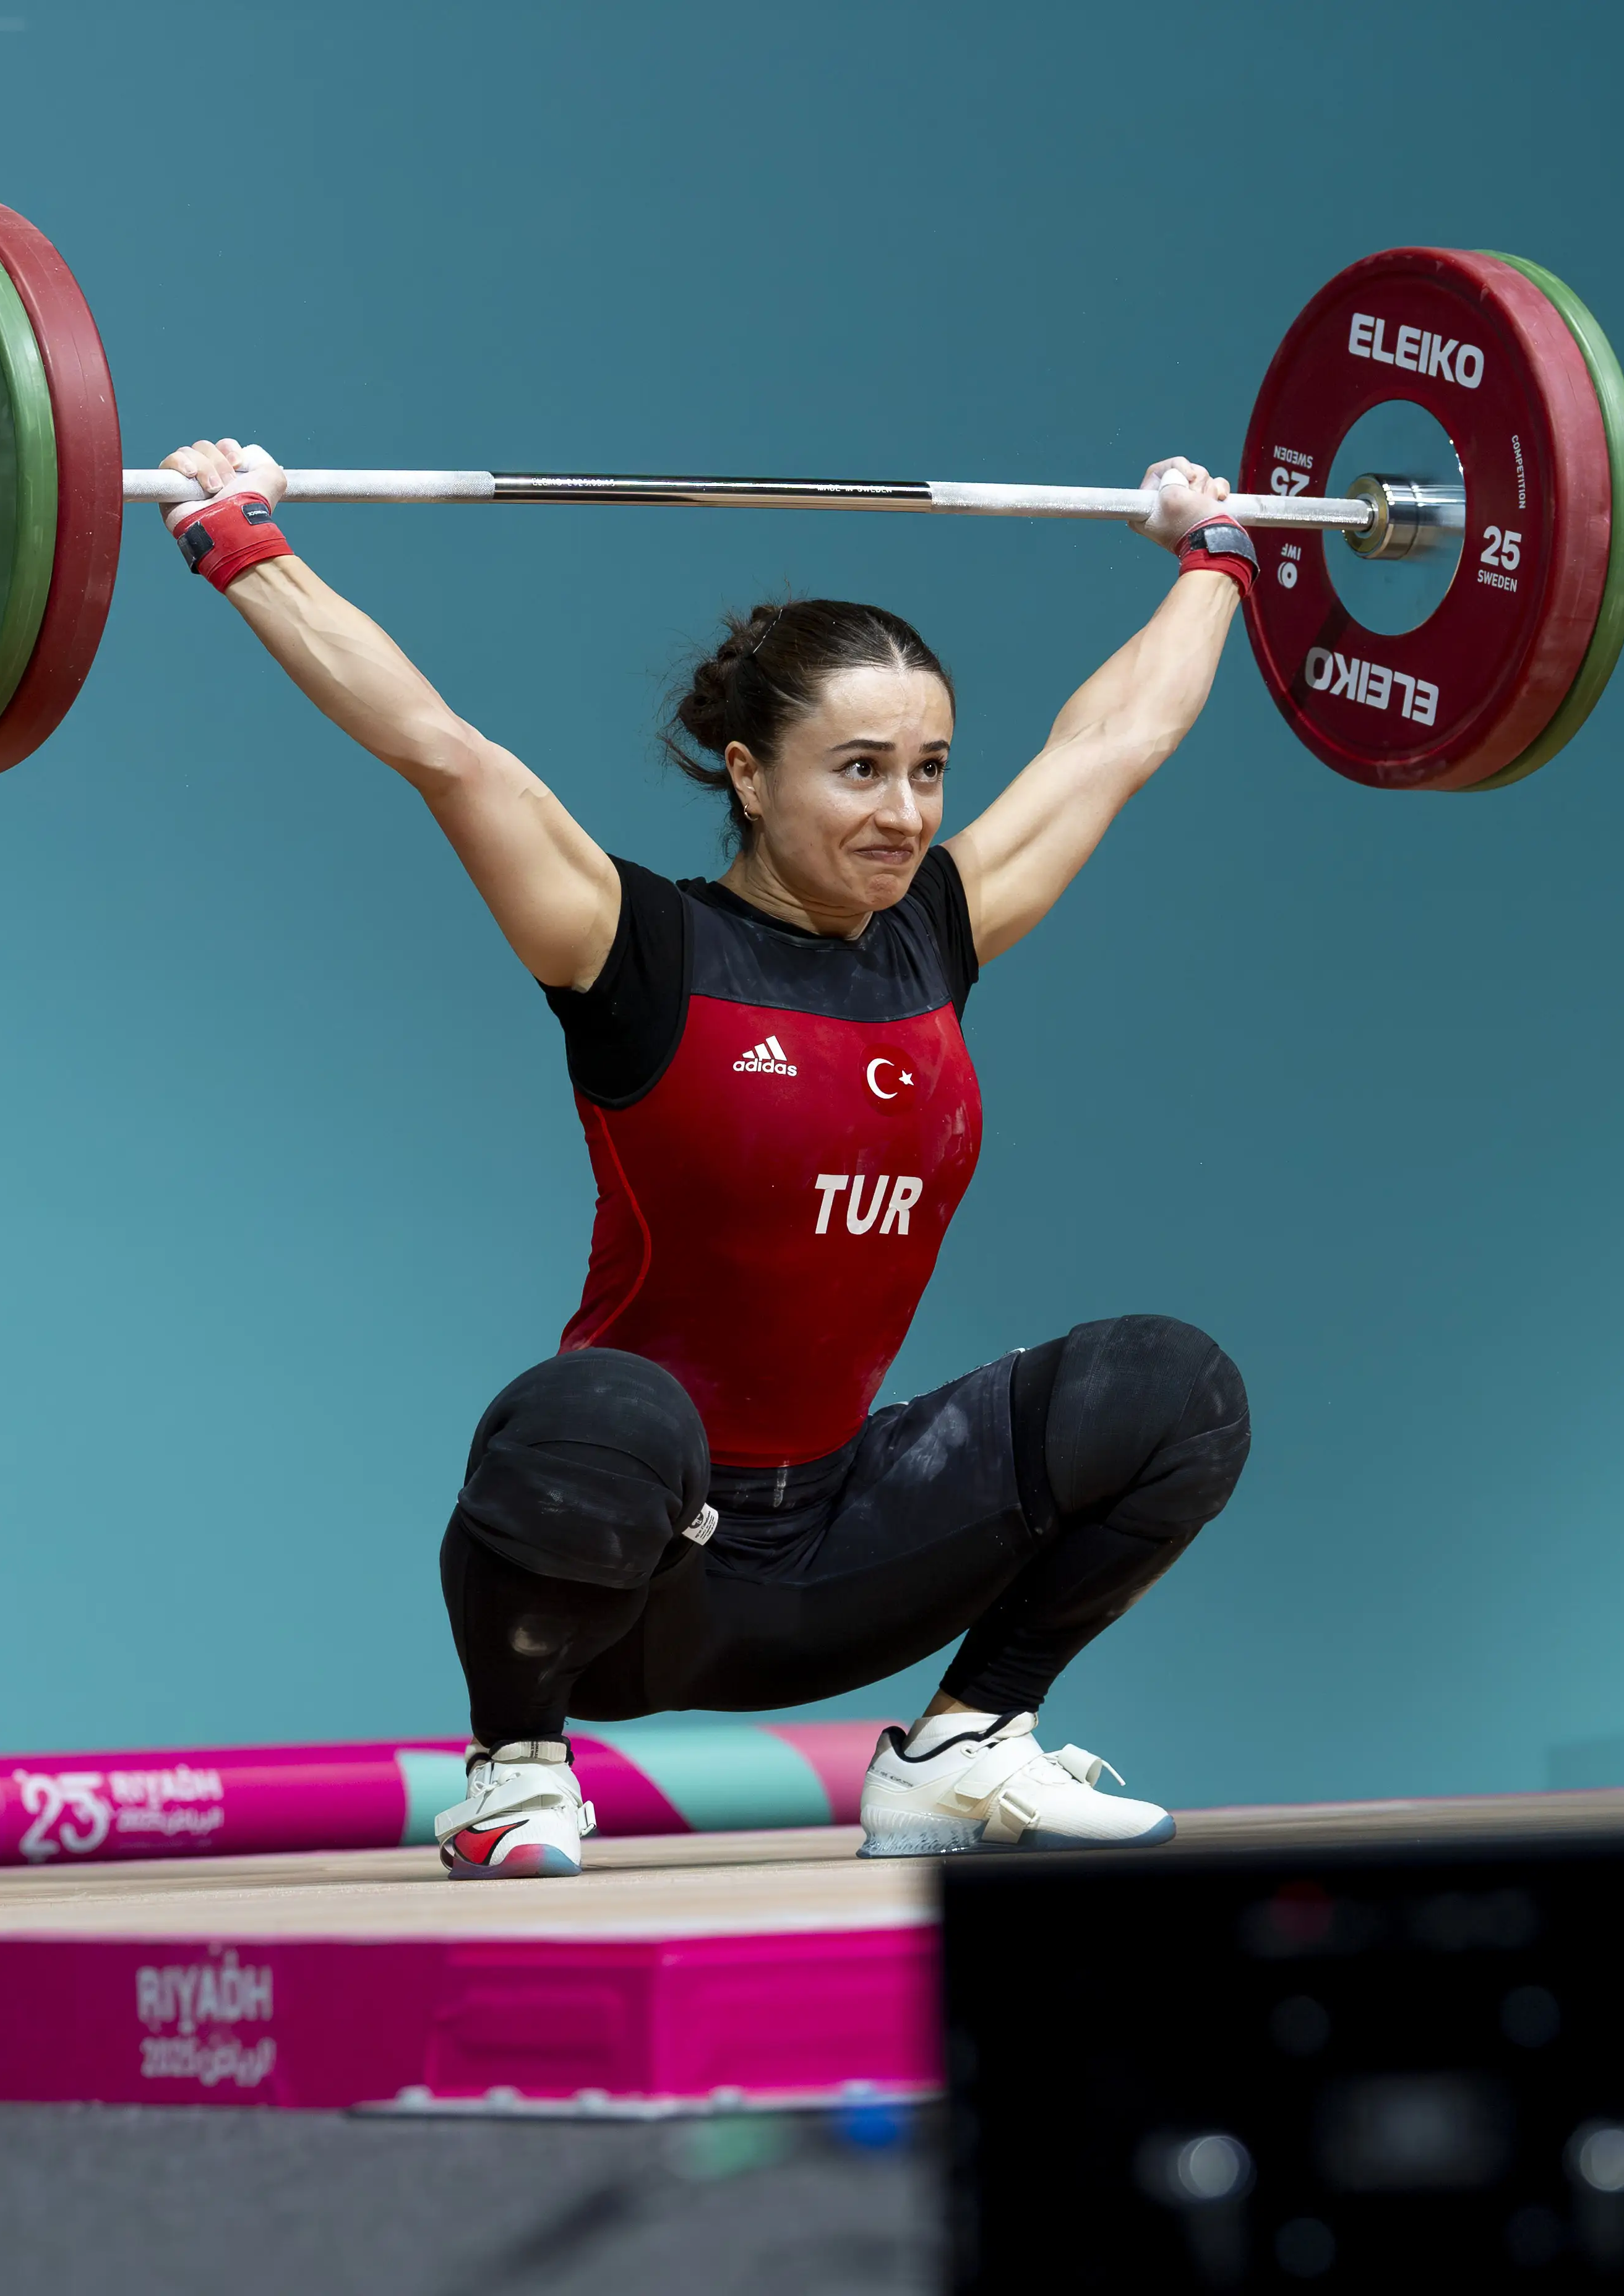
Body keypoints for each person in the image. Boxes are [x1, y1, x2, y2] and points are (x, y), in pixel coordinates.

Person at [160, 437, 1258, 1877]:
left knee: (1176, 1390)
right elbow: (440, 745)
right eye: (859, 770)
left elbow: (1114, 742)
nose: (906, 813)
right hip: (625, 1577)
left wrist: (1221, 555)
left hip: (853, 1549)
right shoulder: (635, 946)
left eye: (928, 770)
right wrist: (234, 539)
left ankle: (961, 1746)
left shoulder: (936, 933)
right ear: (746, 773)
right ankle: (515, 1770)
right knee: (604, 1409)